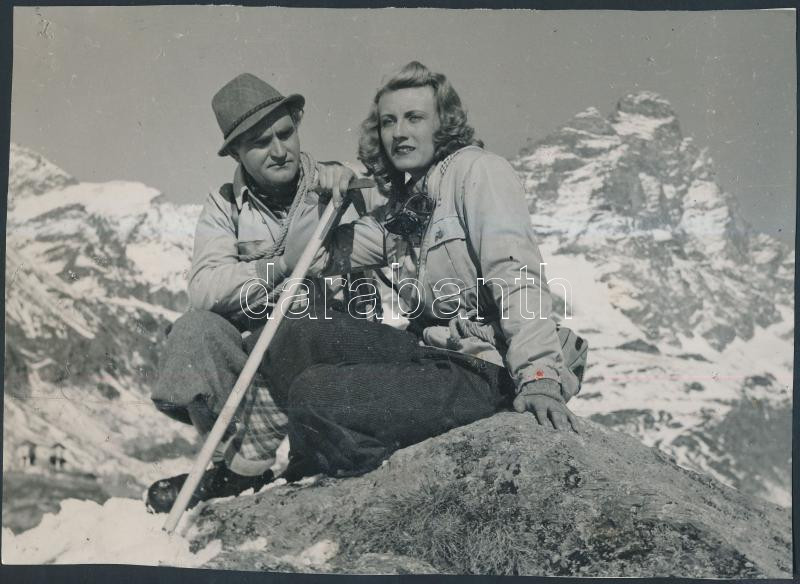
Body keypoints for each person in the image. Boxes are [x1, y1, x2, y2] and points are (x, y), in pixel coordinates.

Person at [248, 61, 589, 480]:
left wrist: (539, 378)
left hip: (488, 368)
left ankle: (361, 470)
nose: (399, 133)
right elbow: (314, 257)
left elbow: (517, 275)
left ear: (443, 123)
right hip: (433, 354)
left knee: (314, 392)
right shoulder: (406, 201)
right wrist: (321, 190)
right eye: (388, 122)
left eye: (414, 118)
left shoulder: (479, 172)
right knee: (296, 332)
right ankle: (317, 458)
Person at [145, 73, 383, 513]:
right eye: (260, 143)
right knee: (195, 331)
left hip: (326, 346)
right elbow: (204, 289)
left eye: (285, 134)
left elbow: (389, 246)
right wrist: (276, 267)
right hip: (257, 351)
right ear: (236, 153)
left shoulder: (340, 184)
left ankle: (291, 456)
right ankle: (231, 468)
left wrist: (341, 201)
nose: (279, 151)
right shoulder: (224, 206)